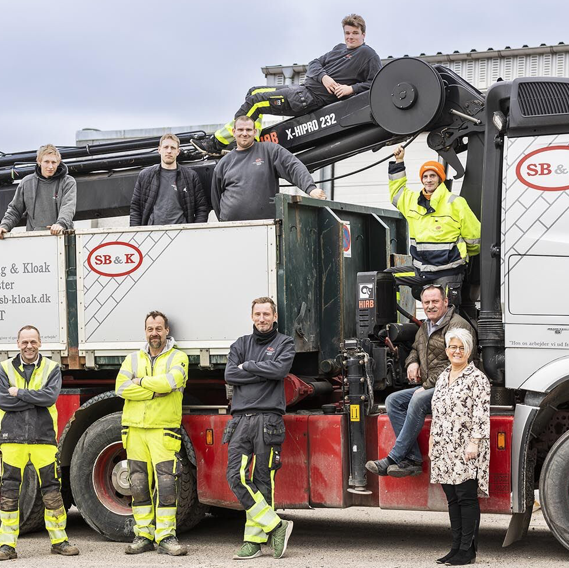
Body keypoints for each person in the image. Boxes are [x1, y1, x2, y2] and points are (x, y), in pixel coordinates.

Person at [195, 14, 380, 155]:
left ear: (363, 34)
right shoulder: (339, 48)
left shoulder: (367, 55)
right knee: (254, 92)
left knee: (256, 103)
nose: (350, 37)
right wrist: (325, 77)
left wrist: (351, 89)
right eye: (347, 33)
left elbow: (375, 85)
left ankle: (217, 143)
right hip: (301, 88)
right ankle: (249, 140)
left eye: (355, 33)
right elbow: (314, 64)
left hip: (307, 99)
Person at [365, 284, 476, 478]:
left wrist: (425, 386)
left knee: (417, 400)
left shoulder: (458, 326)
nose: (430, 306)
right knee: (393, 401)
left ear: (445, 302)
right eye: (426, 302)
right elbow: (416, 349)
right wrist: (412, 362)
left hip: (456, 387)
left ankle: (393, 458)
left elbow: (456, 364)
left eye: (435, 301)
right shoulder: (426, 326)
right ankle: (413, 459)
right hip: (433, 386)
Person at [224, 297, 296, 560]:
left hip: (269, 419)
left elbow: (279, 370)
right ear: (252, 316)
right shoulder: (240, 344)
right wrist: (262, 371)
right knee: (235, 476)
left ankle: (253, 542)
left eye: (267, 314)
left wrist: (250, 366)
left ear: (275, 316)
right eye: (258, 314)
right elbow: (231, 375)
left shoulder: (285, 343)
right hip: (241, 420)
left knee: (264, 481)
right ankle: (277, 526)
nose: (262, 318)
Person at [0, 325, 80, 560]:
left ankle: (59, 541)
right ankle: (6, 545)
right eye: (24, 342)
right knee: (8, 493)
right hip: (12, 438)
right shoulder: (4, 368)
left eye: (33, 341)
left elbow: (49, 397)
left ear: (40, 343)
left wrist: (20, 394)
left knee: (52, 493)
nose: (29, 346)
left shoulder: (52, 368)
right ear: (17, 343)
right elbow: (4, 401)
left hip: (43, 438)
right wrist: (33, 398)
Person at [115, 311, 189, 556]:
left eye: (159, 328)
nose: (154, 333)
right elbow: (121, 387)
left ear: (167, 330)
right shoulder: (132, 359)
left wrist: (140, 382)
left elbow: (170, 383)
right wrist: (153, 389)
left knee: (167, 484)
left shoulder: (179, 357)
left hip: (163, 430)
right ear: (145, 331)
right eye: (150, 328)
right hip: (135, 430)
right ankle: (143, 535)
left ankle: (166, 536)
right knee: (137, 484)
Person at [386, 145, 481, 305]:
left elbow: (474, 238)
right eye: (425, 176)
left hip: (448, 272)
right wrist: (399, 161)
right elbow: (396, 192)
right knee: (384, 278)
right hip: (420, 271)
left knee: (444, 311)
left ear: (440, 178)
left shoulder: (456, 203)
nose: (428, 180)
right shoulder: (412, 201)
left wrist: (458, 257)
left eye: (433, 176)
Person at [429, 328, 490, 565]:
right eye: (453, 347)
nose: (457, 351)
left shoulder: (477, 378)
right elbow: (437, 410)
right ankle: (455, 548)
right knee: (452, 498)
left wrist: (474, 443)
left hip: (466, 447)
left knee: (466, 497)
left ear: (469, 351)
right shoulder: (443, 376)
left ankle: (468, 551)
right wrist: (434, 439)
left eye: (461, 347)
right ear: (446, 350)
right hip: (444, 447)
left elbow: (481, 414)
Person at [211, 115, 326, 222]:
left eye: (249, 130)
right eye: (241, 130)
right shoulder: (224, 163)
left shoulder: (269, 151)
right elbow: (216, 198)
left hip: (265, 227)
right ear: (234, 132)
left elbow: (293, 166)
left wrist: (311, 189)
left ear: (255, 132)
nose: (244, 133)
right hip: (231, 229)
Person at [130, 133, 210, 226]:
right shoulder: (145, 176)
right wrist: (136, 233)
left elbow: (202, 208)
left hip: (181, 233)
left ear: (178, 151)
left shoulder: (190, 176)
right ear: (159, 150)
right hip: (152, 233)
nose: (169, 151)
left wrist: (194, 232)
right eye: (165, 147)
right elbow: (135, 208)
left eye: (172, 148)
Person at [0, 144, 76, 238]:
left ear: (58, 162)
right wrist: (4, 226)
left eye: (53, 162)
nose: (50, 166)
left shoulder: (68, 182)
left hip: (62, 238)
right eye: (46, 162)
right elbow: (15, 210)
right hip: (35, 239)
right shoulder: (26, 183)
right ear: (39, 161)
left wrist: (60, 224)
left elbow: (68, 206)